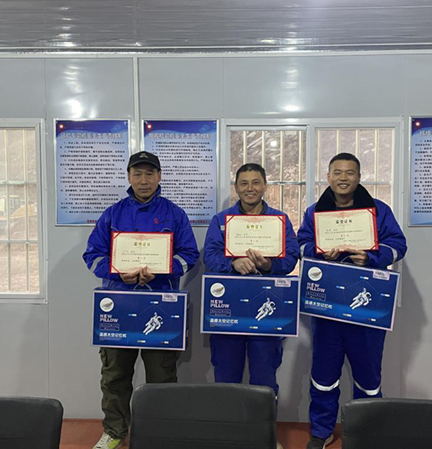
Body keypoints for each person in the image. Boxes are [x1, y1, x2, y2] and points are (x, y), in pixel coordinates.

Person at [83, 151, 199, 449]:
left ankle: (161, 433)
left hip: (161, 306)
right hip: (118, 306)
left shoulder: (175, 214)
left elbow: (189, 255)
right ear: (129, 177)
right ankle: (114, 431)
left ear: (159, 176)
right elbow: (92, 255)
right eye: (137, 174)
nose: (143, 180)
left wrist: (162, 269)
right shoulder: (112, 214)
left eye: (149, 173)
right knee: (114, 374)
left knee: (162, 377)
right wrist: (117, 272)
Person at [298, 153, 407, 449]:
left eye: (349, 172)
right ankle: (321, 431)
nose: (343, 178)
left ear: (359, 177)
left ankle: (366, 432)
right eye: (337, 172)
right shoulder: (314, 212)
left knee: (368, 376)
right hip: (328, 306)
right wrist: (321, 252)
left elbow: (398, 245)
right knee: (324, 374)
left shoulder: (379, 210)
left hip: (367, 307)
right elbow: (301, 245)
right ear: (328, 177)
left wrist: (371, 257)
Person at [203, 163, 299, 448]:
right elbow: (210, 255)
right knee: (226, 377)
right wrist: (232, 263)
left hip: (266, 311)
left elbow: (291, 257)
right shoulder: (221, 220)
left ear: (265, 185)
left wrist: (269, 265)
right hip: (228, 310)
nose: (250, 188)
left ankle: (264, 436)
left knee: (265, 379)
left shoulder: (280, 220)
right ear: (236, 187)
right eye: (243, 183)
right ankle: (227, 438)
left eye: (255, 182)